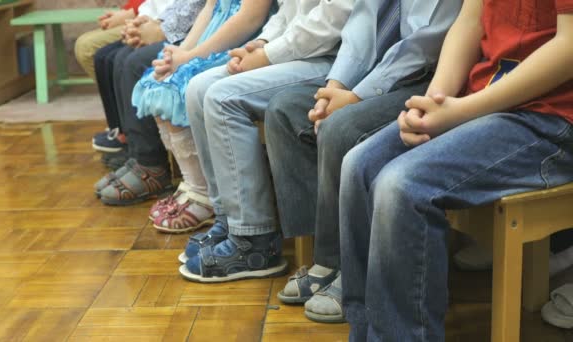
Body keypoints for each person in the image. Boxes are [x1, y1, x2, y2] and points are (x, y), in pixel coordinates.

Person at [338, 0, 573, 340]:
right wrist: (434, 101)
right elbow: (470, 20)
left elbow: (568, 47)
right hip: (485, 100)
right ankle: (365, 332)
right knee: (359, 165)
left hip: (552, 119)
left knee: (401, 185)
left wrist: (461, 111)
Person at [264, 0, 461, 323]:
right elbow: (361, 25)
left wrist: (355, 98)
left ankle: (344, 265)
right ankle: (322, 253)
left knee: (341, 128)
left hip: (427, 78)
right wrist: (336, 87)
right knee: (285, 110)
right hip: (373, 73)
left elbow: (424, 43)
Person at [179, 0, 354, 282]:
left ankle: (254, 240)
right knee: (198, 88)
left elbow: (336, 15)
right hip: (295, 50)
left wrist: (268, 55)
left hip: (338, 59)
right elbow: (289, 10)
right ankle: (228, 218)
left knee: (223, 98)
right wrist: (260, 42)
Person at [130, 0, 274, 233]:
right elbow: (210, 8)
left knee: (179, 88)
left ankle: (205, 193)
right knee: (157, 82)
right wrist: (180, 52)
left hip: (240, 43)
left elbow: (250, 18)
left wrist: (192, 57)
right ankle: (192, 183)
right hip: (212, 34)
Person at [93, 1, 206, 205]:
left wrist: (163, 29)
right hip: (182, 26)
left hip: (202, 33)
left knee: (136, 63)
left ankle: (152, 165)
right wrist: (152, 22)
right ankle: (137, 155)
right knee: (120, 58)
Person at [74, 0, 143, 79]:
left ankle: (114, 90)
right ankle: (110, 90)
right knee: (82, 44)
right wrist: (126, 11)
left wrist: (131, 13)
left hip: (151, 18)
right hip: (140, 11)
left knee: (87, 47)